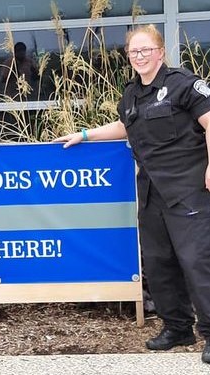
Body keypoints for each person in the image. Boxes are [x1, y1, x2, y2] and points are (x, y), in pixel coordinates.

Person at [55, 24, 210, 364]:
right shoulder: (131, 94)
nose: (139, 57)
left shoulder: (183, 84)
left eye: (145, 50)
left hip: (189, 188)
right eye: (133, 52)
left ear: (160, 52)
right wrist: (85, 134)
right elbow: (127, 125)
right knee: (159, 262)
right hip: (152, 191)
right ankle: (177, 327)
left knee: (197, 262)